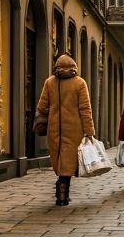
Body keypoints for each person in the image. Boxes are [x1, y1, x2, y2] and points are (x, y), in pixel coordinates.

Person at [35, 54, 95, 206]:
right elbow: (85, 109)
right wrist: (90, 131)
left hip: (54, 129)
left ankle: (61, 191)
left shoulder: (50, 82)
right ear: (74, 67)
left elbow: (41, 107)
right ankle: (62, 192)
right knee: (68, 163)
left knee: (59, 160)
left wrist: (50, 112)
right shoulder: (80, 83)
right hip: (74, 129)